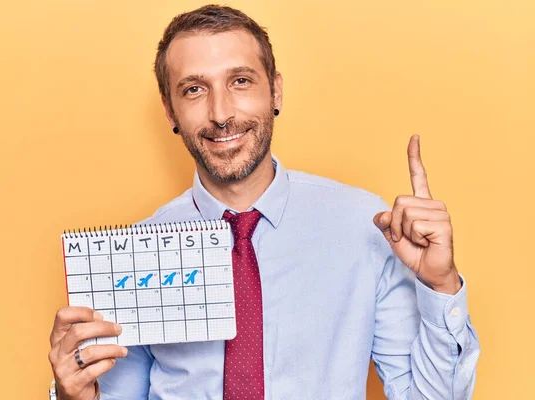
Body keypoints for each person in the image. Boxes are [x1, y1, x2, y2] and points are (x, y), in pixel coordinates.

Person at [48, 4, 480, 399]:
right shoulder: (138, 252)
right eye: (195, 89)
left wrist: (440, 286)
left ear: (274, 92)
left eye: (240, 81)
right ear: (169, 110)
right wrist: (73, 395)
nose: (221, 113)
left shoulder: (363, 226)